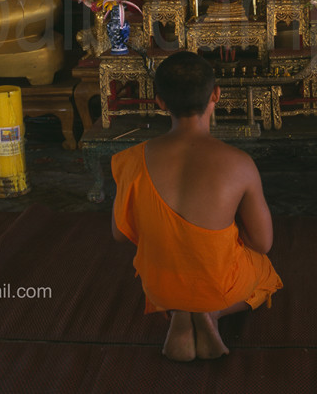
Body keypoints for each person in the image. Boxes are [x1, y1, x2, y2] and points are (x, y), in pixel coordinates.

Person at [111, 51, 282, 361]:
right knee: (265, 274)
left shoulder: (131, 160)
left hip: (160, 287)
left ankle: (179, 309)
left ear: (160, 101)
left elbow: (120, 235)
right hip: (219, 287)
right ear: (216, 95)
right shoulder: (239, 164)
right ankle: (211, 314)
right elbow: (263, 243)